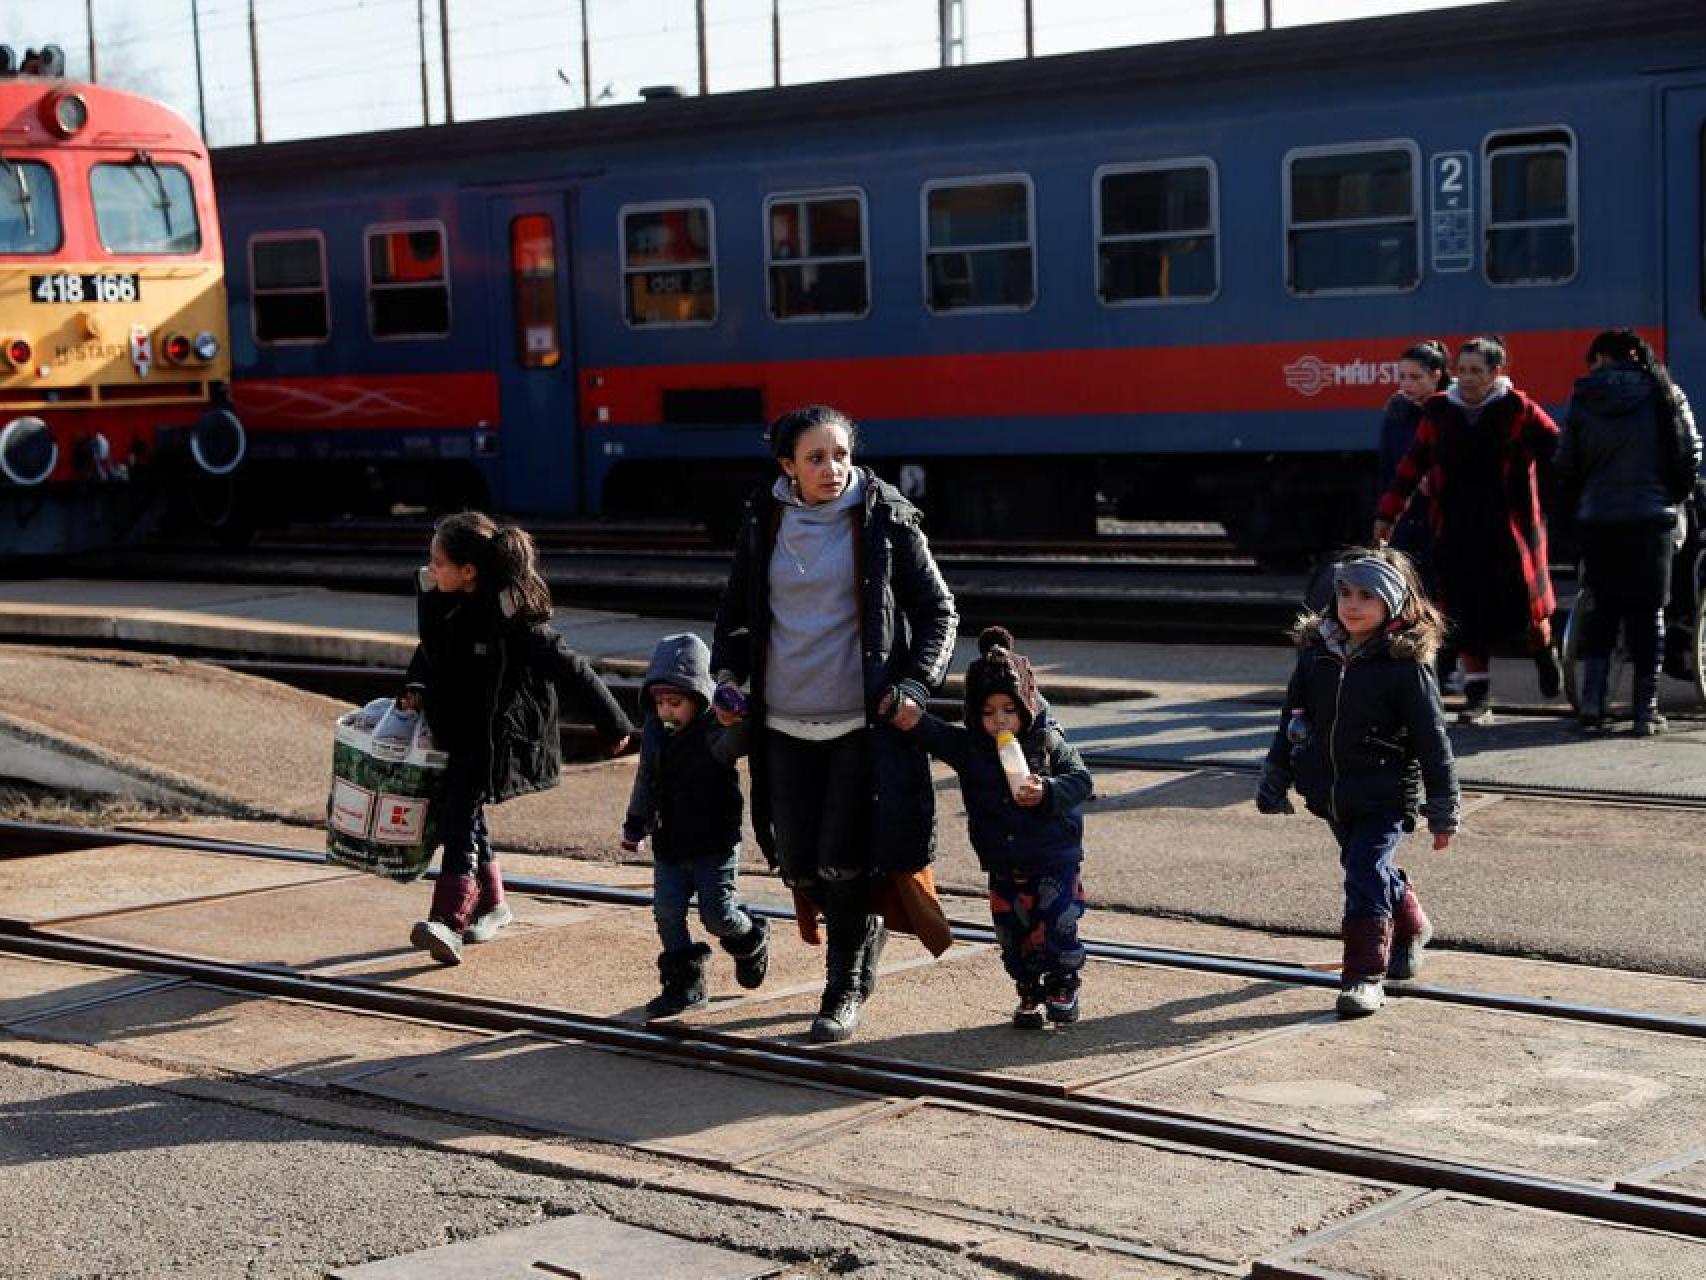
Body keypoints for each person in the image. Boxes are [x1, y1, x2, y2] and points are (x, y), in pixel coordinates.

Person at [711, 404, 958, 1043]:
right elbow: (736, 615)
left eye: (841, 454)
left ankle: (843, 987)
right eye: (816, 457)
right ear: (787, 466)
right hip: (782, 725)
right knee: (798, 861)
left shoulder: (885, 518)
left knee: (843, 862)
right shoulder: (762, 521)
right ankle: (861, 934)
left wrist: (913, 684)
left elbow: (938, 612)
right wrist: (730, 679)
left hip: (860, 725)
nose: (832, 468)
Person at [403, 512, 633, 966]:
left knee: (457, 821)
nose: (430, 569)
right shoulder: (443, 602)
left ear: (468, 571)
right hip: (454, 731)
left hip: (493, 738)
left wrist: (613, 724)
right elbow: (429, 652)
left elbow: (571, 667)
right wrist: (415, 687)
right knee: (463, 816)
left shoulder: (512, 619)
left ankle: (448, 920)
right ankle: (493, 905)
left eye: (438, 562)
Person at [1256, 547, 1459, 1019]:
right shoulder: (1316, 656)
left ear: (1393, 602)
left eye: (1366, 595)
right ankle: (1411, 924)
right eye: (1344, 592)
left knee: (1363, 874)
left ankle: (1364, 976)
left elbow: (1433, 741)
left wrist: (1443, 807)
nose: (1351, 603)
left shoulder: (1406, 667)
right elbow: (1293, 717)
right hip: (1330, 791)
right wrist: (1277, 771)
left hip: (1385, 792)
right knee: (1365, 867)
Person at [888, 626, 1093, 1029]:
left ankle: (1063, 985)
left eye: (1008, 710)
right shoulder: (972, 749)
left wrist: (1048, 791)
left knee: (1058, 924)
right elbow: (935, 735)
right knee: (1013, 932)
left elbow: (1081, 780)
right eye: (987, 712)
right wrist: (909, 717)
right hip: (1003, 860)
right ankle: (1029, 989)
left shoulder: (1046, 741)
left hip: (1053, 856)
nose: (999, 720)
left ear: (1026, 706)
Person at [1374, 336, 1562, 724]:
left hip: (1510, 528)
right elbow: (1411, 466)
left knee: (1526, 607)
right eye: (1463, 370)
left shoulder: (1518, 408)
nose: (1469, 378)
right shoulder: (1441, 411)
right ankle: (1478, 695)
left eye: (1478, 371)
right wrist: (1386, 515)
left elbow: (1558, 450)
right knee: (1464, 610)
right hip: (1457, 525)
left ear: (1497, 373)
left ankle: (1545, 651)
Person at [1555, 329, 1703, 734]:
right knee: (1647, 611)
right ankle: (1644, 710)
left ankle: (1592, 705)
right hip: (1650, 521)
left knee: (1602, 611)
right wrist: (1672, 496)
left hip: (1599, 520)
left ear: (1603, 357)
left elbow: (1565, 461)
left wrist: (1583, 500)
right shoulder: (1666, 394)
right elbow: (1691, 454)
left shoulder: (1583, 397)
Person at [621, 632, 770, 1016]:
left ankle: (750, 937)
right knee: (667, 912)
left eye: (676, 703)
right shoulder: (655, 732)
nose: (667, 711)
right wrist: (635, 822)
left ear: (699, 699)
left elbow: (741, 740)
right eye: (659, 703)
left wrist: (740, 713)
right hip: (669, 841)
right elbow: (645, 779)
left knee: (716, 914)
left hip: (713, 841)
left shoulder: (713, 733)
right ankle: (684, 985)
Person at [1376, 341, 1457, 690]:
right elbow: (1387, 466)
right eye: (1403, 376)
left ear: (1436, 376)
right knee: (1410, 590)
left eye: (1415, 377)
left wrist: (1436, 481)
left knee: (1444, 590)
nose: (1406, 384)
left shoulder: (1452, 411)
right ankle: (1417, 664)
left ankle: (1446, 666)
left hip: (1444, 512)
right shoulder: (1397, 413)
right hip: (1408, 513)